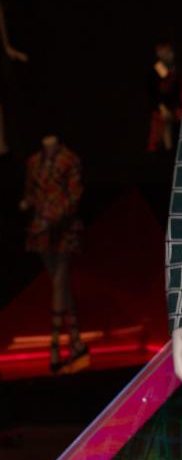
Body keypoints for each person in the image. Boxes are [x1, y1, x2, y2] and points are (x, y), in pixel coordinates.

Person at [20, 135, 89, 374]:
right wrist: (28, 204)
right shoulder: (33, 162)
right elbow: (30, 192)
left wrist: (55, 216)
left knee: (59, 280)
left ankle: (55, 343)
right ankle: (75, 337)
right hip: (41, 229)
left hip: (62, 229)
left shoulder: (69, 160)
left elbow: (73, 195)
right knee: (59, 283)